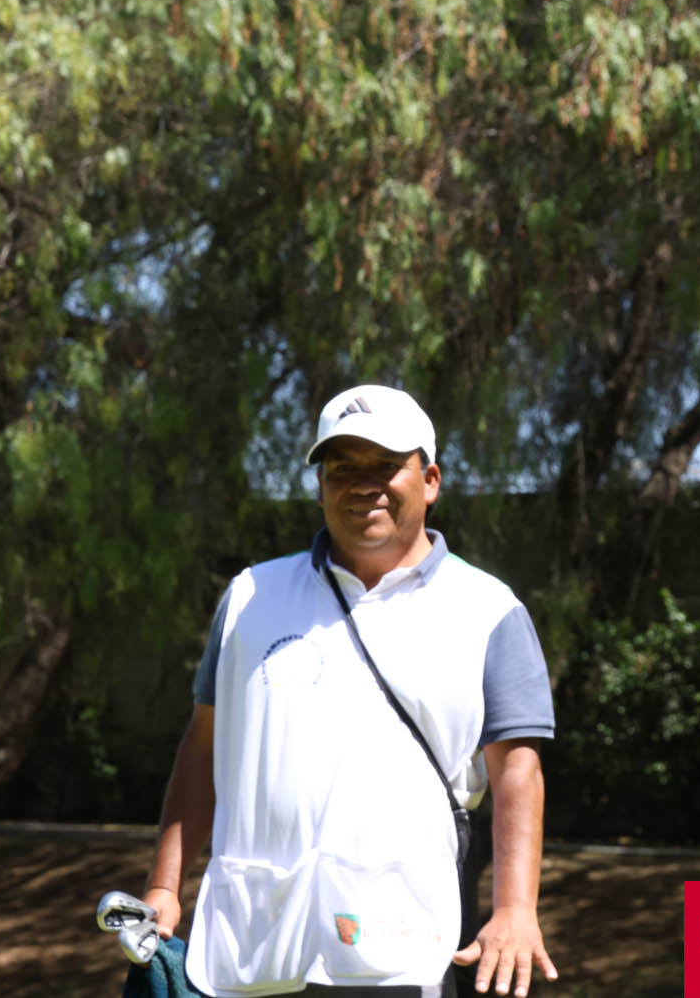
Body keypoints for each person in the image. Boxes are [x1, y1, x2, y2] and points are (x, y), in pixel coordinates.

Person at [142, 384, 558, 998]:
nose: (364, 484)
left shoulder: (488, 609)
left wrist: (516, 909)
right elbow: (203, 748)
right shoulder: (250, 597)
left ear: (431, 481)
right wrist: (163, 887)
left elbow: (517, 770)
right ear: (320, 486)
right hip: (253, 952)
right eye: (343, 468)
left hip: (403, 952)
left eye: (386, 465)